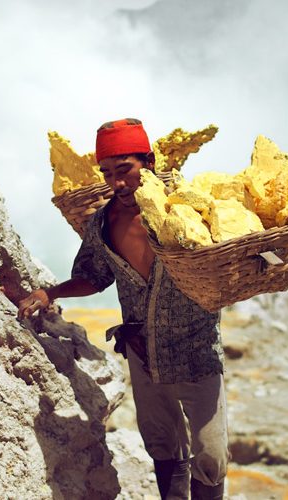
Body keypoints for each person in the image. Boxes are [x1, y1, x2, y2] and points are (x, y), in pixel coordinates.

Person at [18, 118, 227, 500]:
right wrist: (52, 292)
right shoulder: (102, 223)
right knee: (162, 445)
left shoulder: (185, 206)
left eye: (125, 170)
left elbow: (226, 256)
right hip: (142, 349)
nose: (117, 183)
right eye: (108, 173)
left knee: (211, 452)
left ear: (147, 162)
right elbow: (94, 277)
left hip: (196, 347)